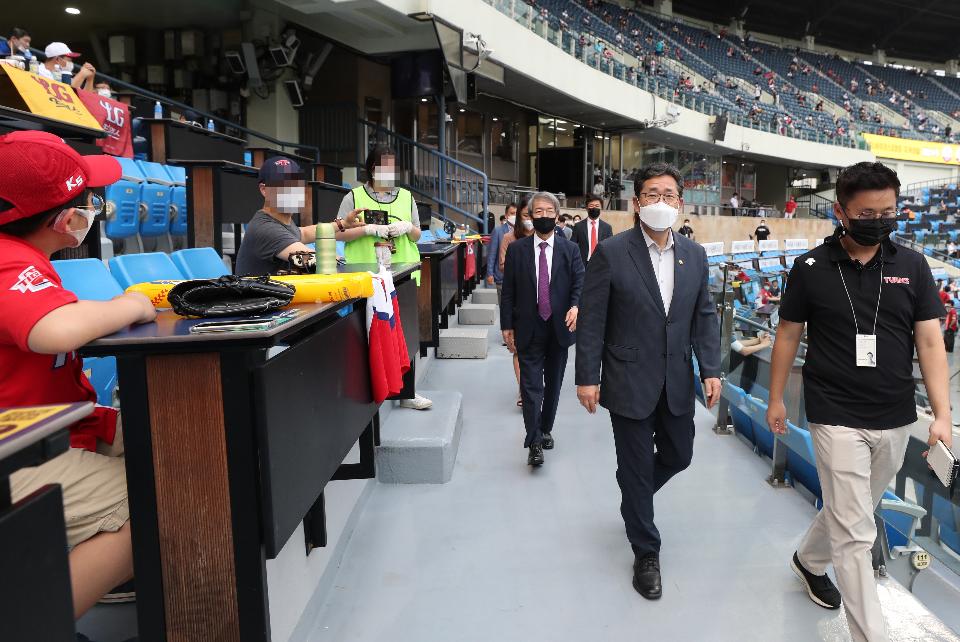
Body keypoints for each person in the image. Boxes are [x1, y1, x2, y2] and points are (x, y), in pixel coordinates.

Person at [766, 161, 950, 642]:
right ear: (841, 212)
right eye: (867, 212)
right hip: (835, 411)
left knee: (857, 509)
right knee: (855, 534)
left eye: (889, 211)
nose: (880, 220)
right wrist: (776, 399)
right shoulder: (809, 268)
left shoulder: (912, 266)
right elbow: (787, 333)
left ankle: (807, 561)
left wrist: (943, 415)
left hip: (894, 414)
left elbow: (930, 342)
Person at [0, 130, 158, 618]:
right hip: (16, 450)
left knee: (165, 437)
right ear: (66, 218)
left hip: (47, 430)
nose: (95, 206)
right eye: (87, 198)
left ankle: (95, 571)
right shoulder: (8, 260)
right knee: (158, 503)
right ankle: (36, 622)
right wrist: (132, 304)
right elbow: (57, 330)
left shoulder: (28, 258)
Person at [575, 162, 722, 600]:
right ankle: (646, 551)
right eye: (652, 194)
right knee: (638, 468)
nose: (662, 202)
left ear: (681, 202)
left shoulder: (693, 254)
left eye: (670, 194)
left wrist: (710, 368)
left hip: (677, 377)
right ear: (637, 203)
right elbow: (593, 320)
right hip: (627, 379)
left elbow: (704, 316)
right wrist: (587, 377)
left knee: (679, 455)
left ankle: (632, 495)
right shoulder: (612, 252)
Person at [335, 145, 431, 411]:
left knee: (405, 334)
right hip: (366, 277)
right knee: (367, 334)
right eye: (383, 167)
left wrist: (407, 227)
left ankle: (407, 391)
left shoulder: (406, 196)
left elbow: (417, 234)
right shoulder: (353, 197)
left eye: (393, 168)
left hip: (402, 272)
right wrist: (368, 229)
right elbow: (339, 233)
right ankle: (368, 391)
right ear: (371, 169)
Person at [501, 192, 584, 466]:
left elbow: (578, 286)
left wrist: (576, 306)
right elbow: (508, 292)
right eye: (538, 212)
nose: (544, 216)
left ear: (557, 215)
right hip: (528, 326)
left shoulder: (570, 250)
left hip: (560, 327)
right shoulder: (517, 250)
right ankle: (534, 440)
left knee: (554, 385)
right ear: (530, 216)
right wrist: (506, 325)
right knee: (531, 385)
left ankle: (546, 427)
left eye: (550, 211)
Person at [235, 157, 324, 276]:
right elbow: (312, 261)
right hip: (261, 295)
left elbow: (303, 233)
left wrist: (342, 224)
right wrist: (334, 259)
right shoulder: (265, 229)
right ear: (264, 189)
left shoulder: (282, 222)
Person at [500, 200, 533, 406]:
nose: (528, 220)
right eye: (525, 215)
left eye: (531, 215)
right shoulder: (509, 238)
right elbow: (503, 265)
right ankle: (523, 391)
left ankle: (535, 386)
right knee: (519, 349)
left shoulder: (548, 238)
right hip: (518, 301)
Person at [486, 203, 517, 303]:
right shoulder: (498, 231)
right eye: (512, 213)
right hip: (502, 277)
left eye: (517, 213)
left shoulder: (523, 231)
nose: (515, 216)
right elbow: (492, 254)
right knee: (504, 309)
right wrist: (490, 274)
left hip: (519, 278)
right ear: (506, 215)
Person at [571, 196, 613, 264]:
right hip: (582, 263)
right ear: (587, 208)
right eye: (591, 205)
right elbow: (572, 244)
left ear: (601, 208)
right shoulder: (578, 226)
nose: (594, 208)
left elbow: (610, 247)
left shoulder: (607, 227)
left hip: (600, 263)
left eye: (597, 206)